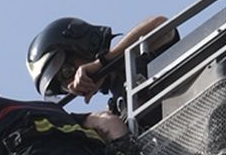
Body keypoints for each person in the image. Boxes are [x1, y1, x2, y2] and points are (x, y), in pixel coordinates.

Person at [25, 14, 171, 101]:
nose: (72, 82)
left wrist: (103, 63)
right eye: (64, 85)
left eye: (68, 71)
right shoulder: (119, 108)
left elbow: (163, 26)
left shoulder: (138, 56)